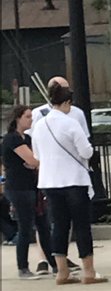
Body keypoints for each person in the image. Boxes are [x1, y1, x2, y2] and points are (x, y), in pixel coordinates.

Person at [30, 82, 107, 285]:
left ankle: (61, 271)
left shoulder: (39, 125)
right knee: (81, 225)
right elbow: (86, 151)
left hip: (49, 181)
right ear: (66, 103)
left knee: (58, 225)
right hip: (74, 180)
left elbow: (37, 154)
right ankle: (88, 271)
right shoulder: (70, 123)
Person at [2, 106, 54, 279]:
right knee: (25, 226)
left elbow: (36, 159)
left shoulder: (28, 138)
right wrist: (36, 163)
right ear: (18, 118)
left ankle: (54, 263)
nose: (31, 120)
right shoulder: (12, 139)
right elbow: (32, 159)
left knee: (43, 226)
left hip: (32, 186)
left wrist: (36, 163)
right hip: (18, 187)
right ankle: (23, 267)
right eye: (27, 116)